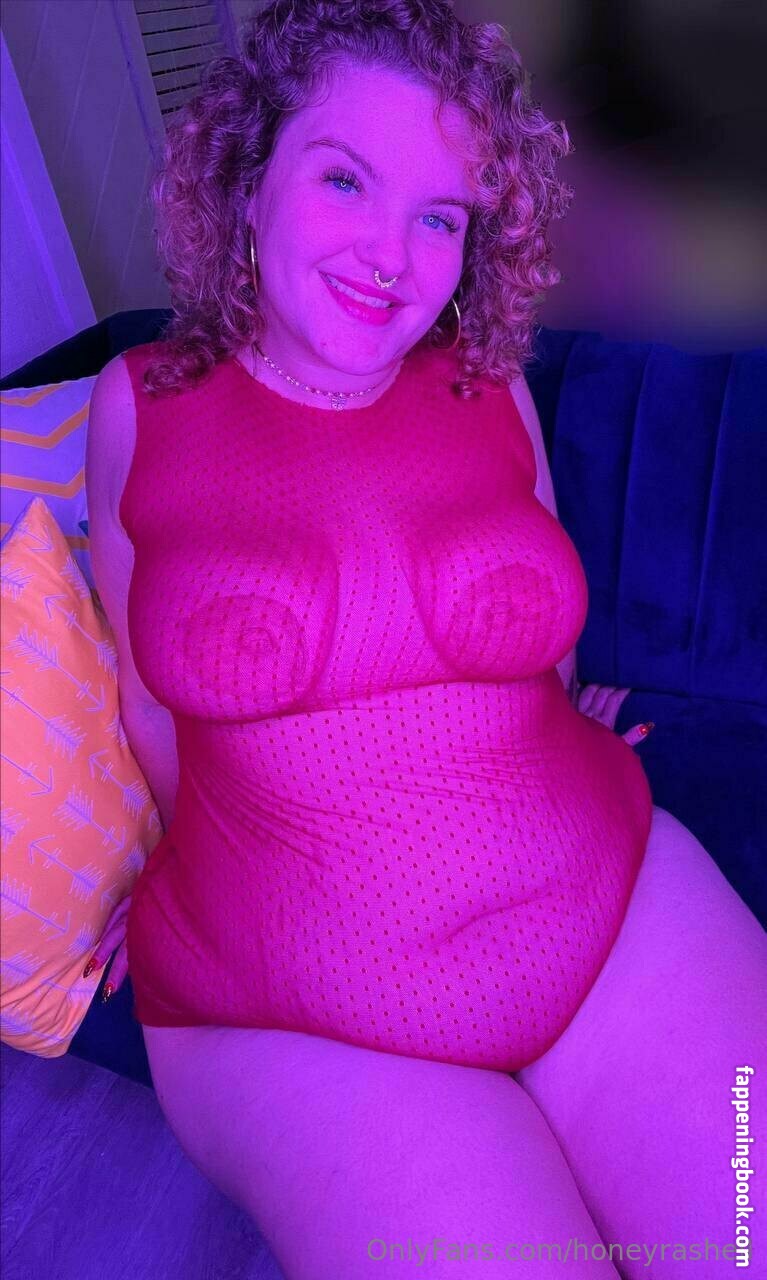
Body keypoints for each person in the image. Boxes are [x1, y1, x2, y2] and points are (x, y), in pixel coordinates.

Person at [84, 2, 766, 1277]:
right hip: (297, 1011)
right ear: (248, 173)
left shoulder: (482, 381)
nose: (391, 255)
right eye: (344, 177)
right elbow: (149, 702)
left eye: (440, 215)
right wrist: (203, 865)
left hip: (602, 903)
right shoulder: (141, 402)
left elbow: (537, 650)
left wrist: (531, 732)